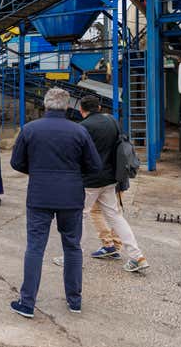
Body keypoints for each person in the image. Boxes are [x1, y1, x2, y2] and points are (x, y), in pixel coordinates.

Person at [9, 88, 102, 318]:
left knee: (35, 247)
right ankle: (75, 301)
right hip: (71, 197)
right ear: (68, 106)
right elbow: (95, 166)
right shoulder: (79, 132)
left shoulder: (30, 129)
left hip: (39, 195)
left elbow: (16, 162)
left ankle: (27, 302)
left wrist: (38, 172)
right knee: (72, 247)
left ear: (46, 104)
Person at [63, 95, 149, 272]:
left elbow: (75, 156)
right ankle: (137, 256)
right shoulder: (112, 121)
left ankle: (71, 257)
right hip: (110, 179)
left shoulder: (82, 128)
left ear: (81, 110)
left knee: (79, 216)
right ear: (99, 107)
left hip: (89, 181)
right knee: (116, 217)